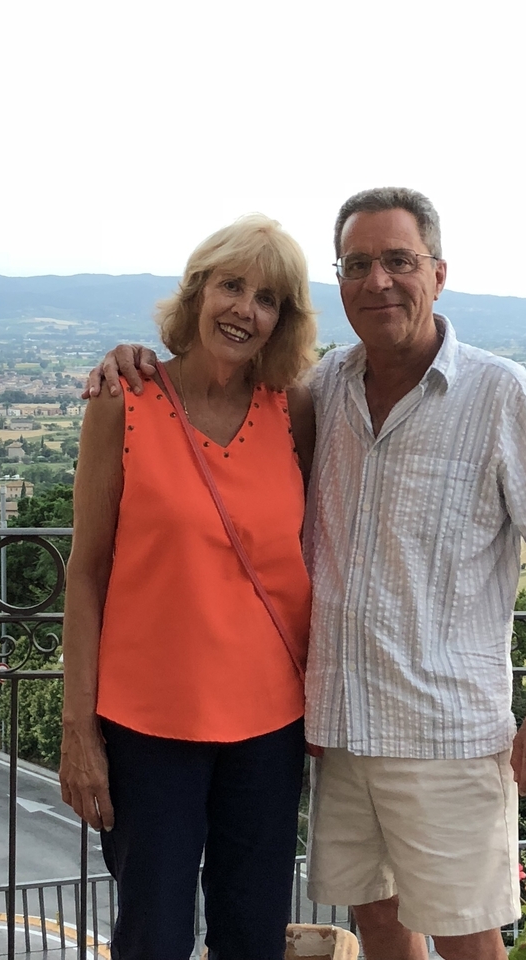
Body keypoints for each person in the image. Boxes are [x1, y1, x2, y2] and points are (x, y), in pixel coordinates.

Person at [87, 187, 526, 960]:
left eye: (399, 261)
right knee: (372, 921)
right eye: (359, 264)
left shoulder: (487, 392)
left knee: (459, 935)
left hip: (435, 730)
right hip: (338, 729)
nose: (379, 280)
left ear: (438, 272)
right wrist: (131, 355)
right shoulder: (322, 391)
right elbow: (106, 558)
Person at [60, 214, 317, 960]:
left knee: (253, 936)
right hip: (148, 729)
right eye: (231, 285)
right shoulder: (125, 400)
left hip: (270, 728)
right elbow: (87, 573)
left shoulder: (293, 410)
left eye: (266, 298)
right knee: (154, 938)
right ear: (198, 292)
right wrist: (80, 731)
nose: (245, 308)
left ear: (281, 320)